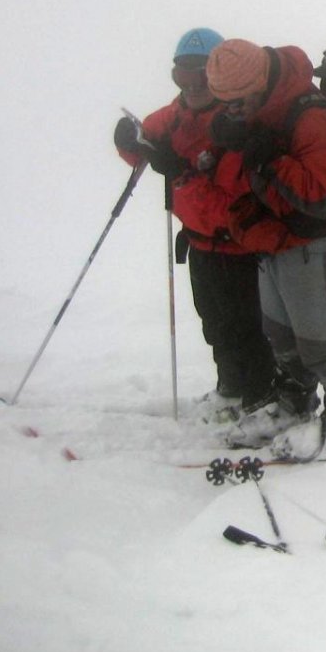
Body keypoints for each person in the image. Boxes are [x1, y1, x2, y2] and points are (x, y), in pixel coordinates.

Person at [203, 38, 326, 454]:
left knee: (322, 343)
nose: (232, 110)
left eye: (237, 102)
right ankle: (294, 404)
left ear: (260, 84)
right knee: (281, 337)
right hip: (273, 241)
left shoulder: (310, 116)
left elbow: (320, 195)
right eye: (224, 103)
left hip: (311, 248)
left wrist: (267, 156)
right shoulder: (263, 112)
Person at [112, 28, 275, 423]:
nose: (193, 85)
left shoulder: (237, 121)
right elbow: (144, 145)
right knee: (215, 324)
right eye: (183, 75)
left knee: (248, 328)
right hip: (201, 243)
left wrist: (181, 173)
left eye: (201, 74)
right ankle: (231, 388)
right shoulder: (173, 117)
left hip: (240, 246)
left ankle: (261, 398)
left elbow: (233, 191)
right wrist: (128, 143)